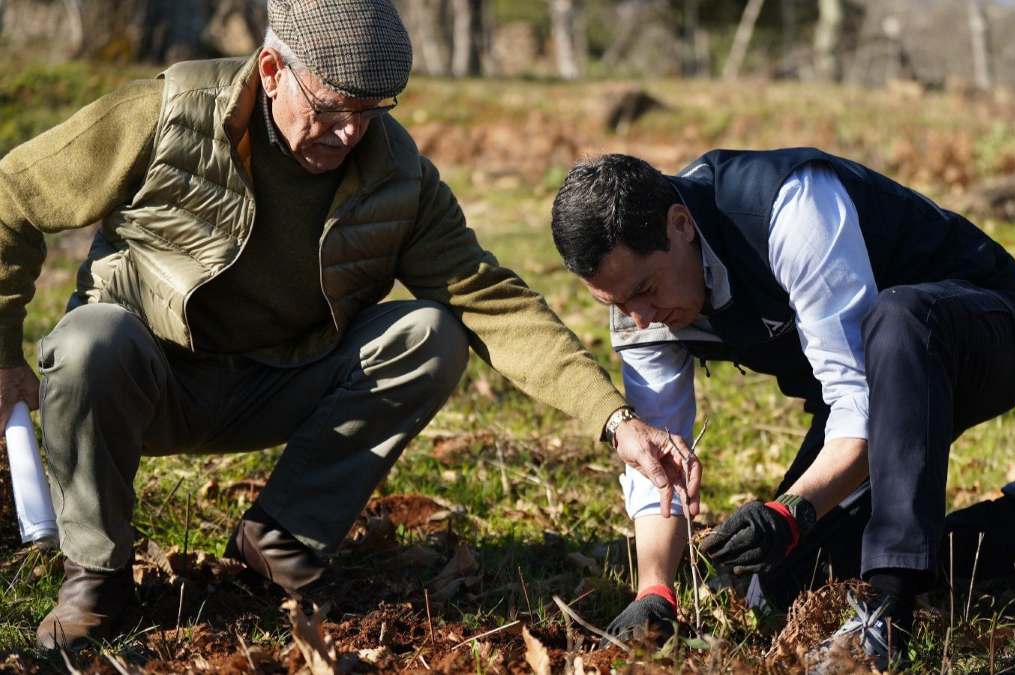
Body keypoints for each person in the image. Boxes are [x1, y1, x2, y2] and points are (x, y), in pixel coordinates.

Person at [0, 0, 695, 651]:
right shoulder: (165, 113)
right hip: (145, 379)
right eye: (333, 108)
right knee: (88, 341)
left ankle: (282, 541)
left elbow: (490, 299)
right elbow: (14, 195)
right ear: (272, 71)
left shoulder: (396, 176)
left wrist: (613, 418)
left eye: (370, 111)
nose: (350, 132)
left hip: (281, 383)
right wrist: (3, 353)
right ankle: (96, 572)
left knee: (432, 331)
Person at [549, 150, 1015, 669]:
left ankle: (888, 611)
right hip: (877, 389)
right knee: (780, 587)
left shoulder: (790, 208)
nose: (641, 318)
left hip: (984, 332)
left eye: (645, 290)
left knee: (898, 317)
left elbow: (860, 402)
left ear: (680, 224)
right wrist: (656, 588)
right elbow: (656, 461)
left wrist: (793, 511)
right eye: (618, 304)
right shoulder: (640, 302)